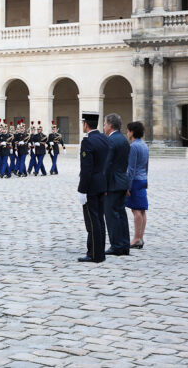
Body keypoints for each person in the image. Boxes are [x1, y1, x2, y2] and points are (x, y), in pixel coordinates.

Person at [77, 111, 108, 263]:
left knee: (92, 221)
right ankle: (99, 251)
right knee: (100, 219)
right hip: (102, 184)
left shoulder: (88, 141)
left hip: (91, 187)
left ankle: (94, 254)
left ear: (86, 124)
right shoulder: (104, 138)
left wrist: (82, 190)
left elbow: (86, 168)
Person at [103, 113, 131, 256]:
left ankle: (116, 246)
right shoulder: (124, 140)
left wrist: (104, 185)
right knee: (121, 214)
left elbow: (107, 165)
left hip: (112, 184)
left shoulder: (111, 141)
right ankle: (125, 244)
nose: (103, 127)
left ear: (110, 125)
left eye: (104, 124)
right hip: (122, 181)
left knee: (111, 215)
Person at [125, 121, 149, 249]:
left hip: (135, 181)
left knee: (136, 210)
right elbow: (146, 166)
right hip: (143, 179)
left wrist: (127, 186)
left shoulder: (133, 146)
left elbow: (131, 169)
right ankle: (141, 237)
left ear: (132, 132)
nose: (127, 133)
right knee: (142, 210)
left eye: (128, 131)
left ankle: (135, 238)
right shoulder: (144, 145)